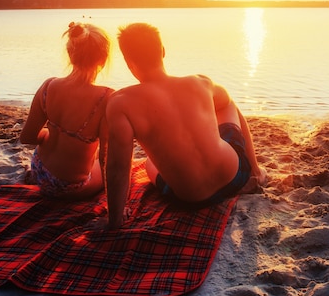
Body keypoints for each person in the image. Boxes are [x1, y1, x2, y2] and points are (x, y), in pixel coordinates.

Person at [102, 22, 266, 229]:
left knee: (147, 164)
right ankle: (256, 174)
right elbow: (226, 108)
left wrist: (115, 220)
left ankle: (251, 173)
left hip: (191, 198)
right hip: (235, 177)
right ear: (162, 51)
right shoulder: (200, 82)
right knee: (227, 103)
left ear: (128, 61)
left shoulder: (120, 102)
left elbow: (118, 166)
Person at [20, 22, 113, 200]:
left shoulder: (48, 86)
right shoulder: (106, 97)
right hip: (71, 187)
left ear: (70, 54)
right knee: (127, 165)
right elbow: (105, 158)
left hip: (40, 172)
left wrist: (52, 133)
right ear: (103, 58)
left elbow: (27, 137)